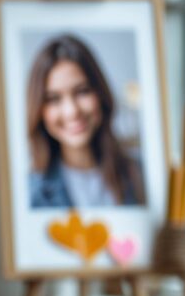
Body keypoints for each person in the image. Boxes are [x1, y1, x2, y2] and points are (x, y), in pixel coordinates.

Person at [26, 34, 145, 208]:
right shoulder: (31, 193)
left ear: (100, 93)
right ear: (39, 110)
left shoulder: (142, 175)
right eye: (53, 99)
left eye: (82, 91)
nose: (72, 111)